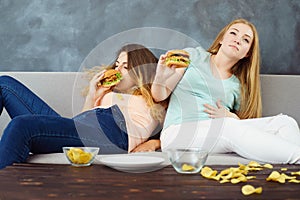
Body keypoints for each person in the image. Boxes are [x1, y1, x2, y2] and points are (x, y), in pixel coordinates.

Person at [152, 18, 300, 164]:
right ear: (222, 39)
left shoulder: (238, 85)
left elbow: (243, 126)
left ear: (247, 53)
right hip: (178, 133)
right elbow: (159, 96)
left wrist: (230, 116)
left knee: (285, 122)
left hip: (217, 134)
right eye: (233, 33)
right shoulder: (193, 56)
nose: (237, 40)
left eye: (245, 40)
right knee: (227, 127)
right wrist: (160, 75)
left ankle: (293, 173)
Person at [0, 44, 165, 169]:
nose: (117, 70)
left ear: (141, 71)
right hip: (84, 128)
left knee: (21, 125)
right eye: (117, 65)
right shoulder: (107, 92)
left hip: (113, 133)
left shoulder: (153, 96)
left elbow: (170, 125)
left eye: (125, 67)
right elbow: (80, 124)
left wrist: (156, 142)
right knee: (5, 84)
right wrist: (93, 94)